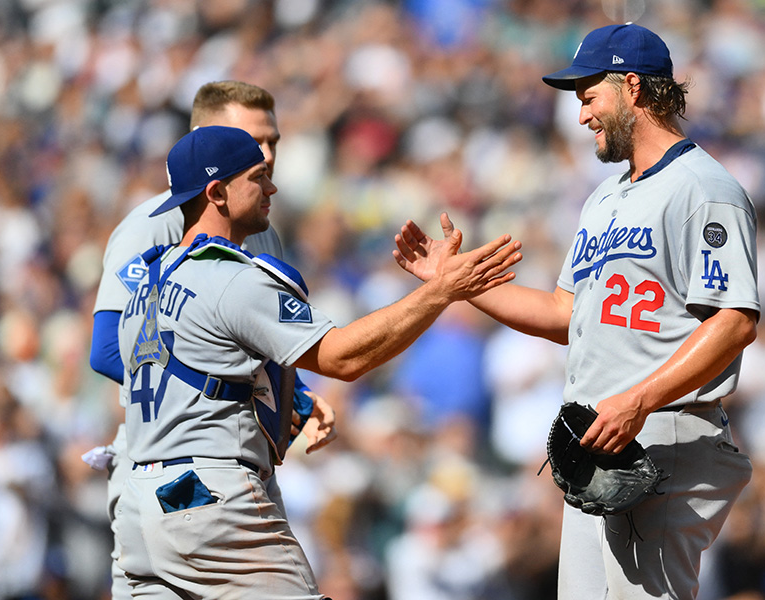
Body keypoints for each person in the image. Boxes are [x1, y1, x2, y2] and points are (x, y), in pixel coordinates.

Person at [393, 23, 760, 600]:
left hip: (661, 430)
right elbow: (564, 313)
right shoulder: (604, 197)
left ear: (632, 87)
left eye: (590, 97)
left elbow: (734, 322)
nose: (582, 114)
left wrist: (639, 400)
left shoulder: (703, 188)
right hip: (599, 435)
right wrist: (455, 284)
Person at [115, 124, 522, 598]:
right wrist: (441, 292)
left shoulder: (145, 284)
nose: (271, 188)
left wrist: (296, 398)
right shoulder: (229, 277)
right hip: (208, 497)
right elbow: (344, 357)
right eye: (257, 177)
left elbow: (201, 369)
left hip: (139, 504)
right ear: (217, 192)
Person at [85, 81, 336, 600]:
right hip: (174, 457)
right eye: (250, 139)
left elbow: (247, 336)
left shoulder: (261, 227)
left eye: (272, 141)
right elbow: (111, 349)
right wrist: (238, 390)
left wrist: (294, 393)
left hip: (224, 464)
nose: (265, 153)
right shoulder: (155, 225)